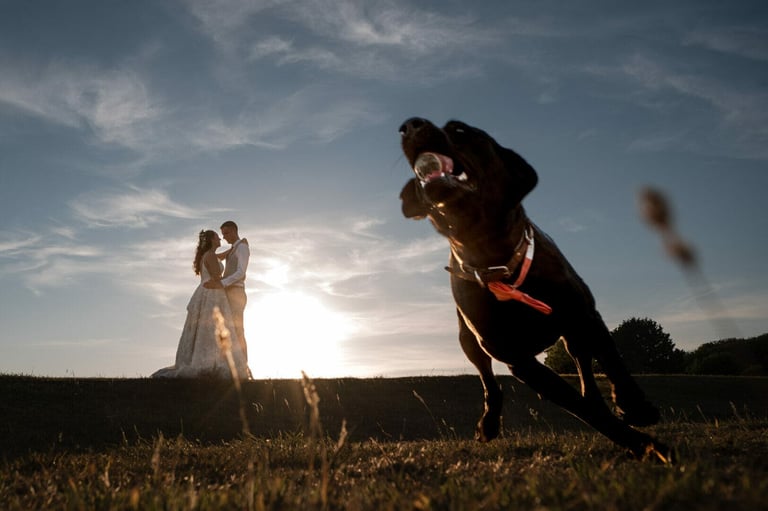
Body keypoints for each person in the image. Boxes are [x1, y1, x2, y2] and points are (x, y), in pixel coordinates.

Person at [152, 230, 249, 380]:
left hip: (206, 292)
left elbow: (221, 256)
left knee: (206, 328)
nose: (220, 238)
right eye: (217, 236)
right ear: (211, 240)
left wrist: (234, 248)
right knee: (212, 327)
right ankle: (211, 361)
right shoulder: (210, 256)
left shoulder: (210, 255)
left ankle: (209, 358)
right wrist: (227, 277)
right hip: (211, 292)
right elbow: (216, 274)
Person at [204, 220, 250, 365]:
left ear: (234, 231)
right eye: (222, 234)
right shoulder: (233, 249)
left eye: (226, 233)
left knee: (238, 330)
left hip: (236, 293)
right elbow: (212, 257)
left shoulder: (242, 247)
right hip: (227, 293)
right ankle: (233, 366)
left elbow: (241, 272)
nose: (224, 237)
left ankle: (243, 366)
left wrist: (221, 283)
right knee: (229, 330)